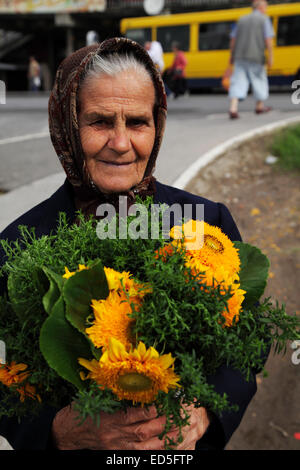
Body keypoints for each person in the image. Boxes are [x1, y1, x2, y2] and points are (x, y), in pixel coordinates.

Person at [0, 38, 260, 450]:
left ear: (156, 126)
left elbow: (246, 349)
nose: (121, 143)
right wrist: (57, 431)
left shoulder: (204, 224)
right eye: (100, 121)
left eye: (137, 122)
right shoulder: (17, 245)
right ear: (67, 126)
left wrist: (204, 414)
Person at [228, 0, 274, 119]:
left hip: (239, 56)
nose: (266, 9)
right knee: (259, 80)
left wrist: (231, 56)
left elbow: (233, 40)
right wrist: (271, 57)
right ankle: (259, 107)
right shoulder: (264, 19)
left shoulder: (242, 20)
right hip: (256, 56)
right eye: (265, 7)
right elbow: (268, 40)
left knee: (238, 81)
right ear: (261, 7)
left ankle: (233, 108)